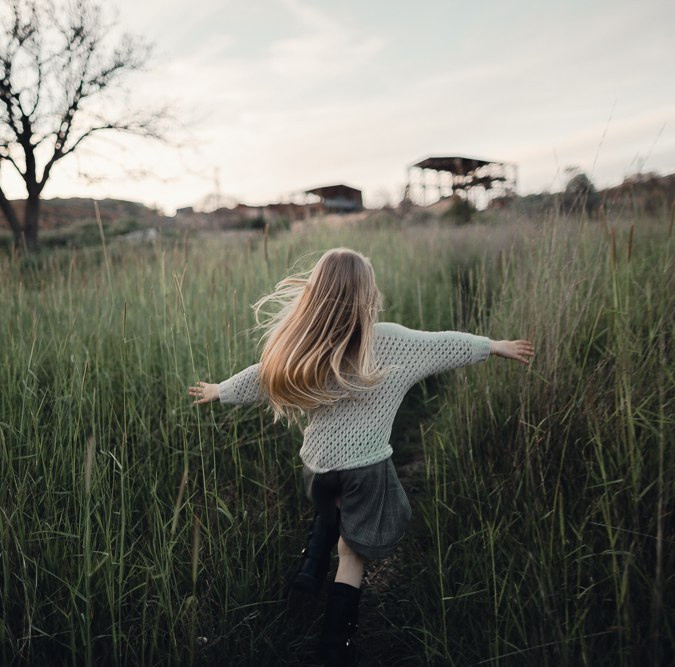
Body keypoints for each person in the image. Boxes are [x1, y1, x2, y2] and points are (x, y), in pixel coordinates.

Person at [188, 247, 534, 666]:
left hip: (317, 468)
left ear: (316, 295)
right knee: (351, 555)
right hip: (365, 470)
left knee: (330, 506)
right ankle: (335, 648)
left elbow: (260, 377)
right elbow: (444, 345)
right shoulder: (389, 341)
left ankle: (309, 570)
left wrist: (219, 391)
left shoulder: (304, 343)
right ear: (367, 294)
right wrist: (493, 346)